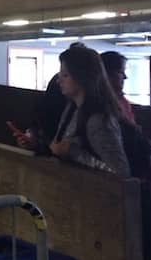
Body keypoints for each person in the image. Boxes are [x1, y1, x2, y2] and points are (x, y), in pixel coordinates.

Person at [49, 46, 130, 177]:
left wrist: (73, 151)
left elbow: (121, 173)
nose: (59, 81)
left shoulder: (98, 120)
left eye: (65, 75)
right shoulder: (72, 109)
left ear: (81, 77)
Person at [100, 51, 136, 125]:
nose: (125, 77)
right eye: (121, 72)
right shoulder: (104, 104)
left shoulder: (121, 100)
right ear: (108, 74)